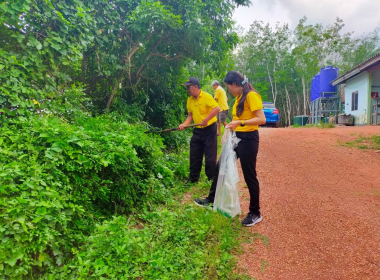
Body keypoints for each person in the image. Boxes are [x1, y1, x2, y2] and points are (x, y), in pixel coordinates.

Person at [194, 71, 266, 227]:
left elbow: (261, 119)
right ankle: (211, 200)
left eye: (228, 87)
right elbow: (241, 117)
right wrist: (232, 127)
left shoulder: (251, 95)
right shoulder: (239, 97)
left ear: (235, 84)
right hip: (237, 139)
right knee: (221, 168)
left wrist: (240, 123)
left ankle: (255, 212)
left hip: (249, 140)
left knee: (249, 176)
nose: (228, 91)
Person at [179, 77, 220, 184]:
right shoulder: (189, 100)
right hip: (197, 130)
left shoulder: (206, 96)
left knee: (210, 156)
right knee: (194, 154)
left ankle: (211, 178)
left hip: (210, 129)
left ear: (195, 86)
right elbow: (190, 115)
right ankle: (193, 178)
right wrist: (184, 124)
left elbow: (217, 109)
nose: (187, 89)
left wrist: (206, 119)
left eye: (188, 87)